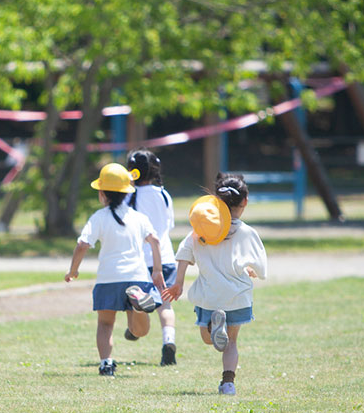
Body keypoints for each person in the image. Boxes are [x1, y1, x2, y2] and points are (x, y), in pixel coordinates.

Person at [162, 173, 267, 395]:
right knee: (231, 342)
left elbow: (183, 254)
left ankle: (212, 327)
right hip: (237, 295)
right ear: (245, 202)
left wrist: (178, 283)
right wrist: (252, 271)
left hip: (209, 296)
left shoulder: (201, 232)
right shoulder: (247, 232)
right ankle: (228, 384)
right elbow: (260, 267)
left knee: (208, 339)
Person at [65, 163, 167, 377]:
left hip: (108, 278)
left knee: (105, 323)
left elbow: (83, 245)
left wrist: (73, 270)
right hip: (137, 277)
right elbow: (155, 240)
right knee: (140, 330)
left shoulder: (99, 217)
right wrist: (157, 270)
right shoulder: (139, 218)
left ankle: (106, 363)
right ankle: (138, 306)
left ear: (102, 194)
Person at [126, 149, 178, 366]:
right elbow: (169, 225)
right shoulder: (164, 195)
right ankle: (169, 341)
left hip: (142, 260)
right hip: (165, 257)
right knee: (165, 306)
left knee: (136, 301)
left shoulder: (130, 196)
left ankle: (135, 329)